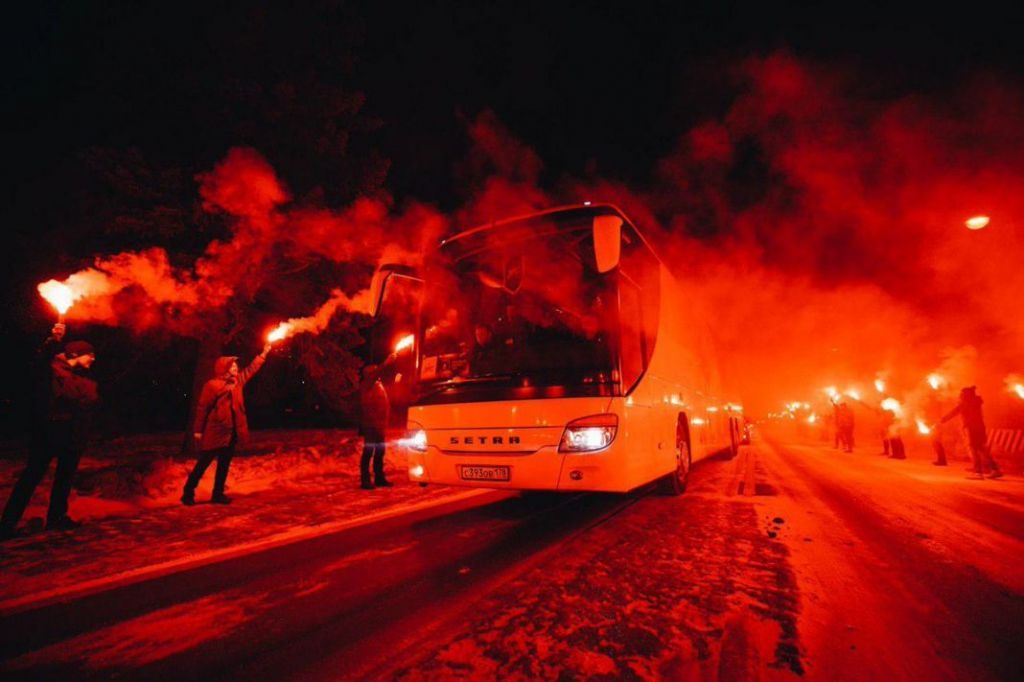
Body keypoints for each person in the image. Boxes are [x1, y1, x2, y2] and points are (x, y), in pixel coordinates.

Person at [1, 324, 99, 538]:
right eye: (89, 354)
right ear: (75, 354)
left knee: (65, 478)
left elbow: (86, 403)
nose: (93, 358)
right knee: (31, 476)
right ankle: (7, 524)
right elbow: (39, 361)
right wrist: (54, 341)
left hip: (72, 435)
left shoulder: (83, 376)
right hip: (48, 432)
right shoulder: (51, 369)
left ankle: (56, 517)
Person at [182, 343, 272, 505]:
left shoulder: (238, 382)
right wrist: (198, 430)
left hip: (231, 432)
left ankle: (217, 494)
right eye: (232, 367)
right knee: (203, 464)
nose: (236, 369)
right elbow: (202, 408)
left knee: (224, 465)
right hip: (215, 431)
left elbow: (251, 369)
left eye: (236, 366)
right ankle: (188, 493)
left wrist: (263, 354)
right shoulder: (212, 385)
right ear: (224, 369)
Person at [941, 386, 1003, 480]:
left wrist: (943, 420)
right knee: (982, 449)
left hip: (971, 429)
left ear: (966, 395)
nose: (960, 396)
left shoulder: (965, 403)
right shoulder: (976, 402)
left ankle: (977, 472)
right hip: (980, 427)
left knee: (973, 449)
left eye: (962, 394)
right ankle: (995, 470)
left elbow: (954, 412)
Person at [359, 353, 397, 490]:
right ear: (368, 374)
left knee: (380, 452)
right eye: (373, 370)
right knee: (368, 452)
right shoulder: (366, 384)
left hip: (379, 425)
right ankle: (365, 480)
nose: (376, 371)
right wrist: (386, 363)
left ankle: (379, 478)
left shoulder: (377, 384)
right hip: (370, 425)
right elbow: (376, 373)